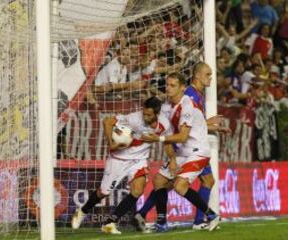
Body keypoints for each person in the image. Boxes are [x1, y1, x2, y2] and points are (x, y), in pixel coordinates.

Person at [134, 63, 229, 231]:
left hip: (197, 150)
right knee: (160, 181)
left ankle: (209, 216)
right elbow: (170, 136)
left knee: (180, 185)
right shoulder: (167, 108)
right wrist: (171, 158)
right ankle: (160, 222)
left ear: (182, 88)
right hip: (183, 150)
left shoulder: (188, 104)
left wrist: (158, 139)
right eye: (167, 85)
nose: (168, 89)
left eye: (172, 86)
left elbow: (183, 134)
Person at [71, 97, 174, 234]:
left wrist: (172, 158)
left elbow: (167, 141)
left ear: (157, 113)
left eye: (149, 115)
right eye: (144, 113)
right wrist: (111, 143)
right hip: (119, 159)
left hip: (139, 159)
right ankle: (83, 211)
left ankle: (110, 223)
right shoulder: (134, 119)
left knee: (138, 190)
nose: (145, 116)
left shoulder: (164, 124)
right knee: (103, 192)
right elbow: (107, 122)